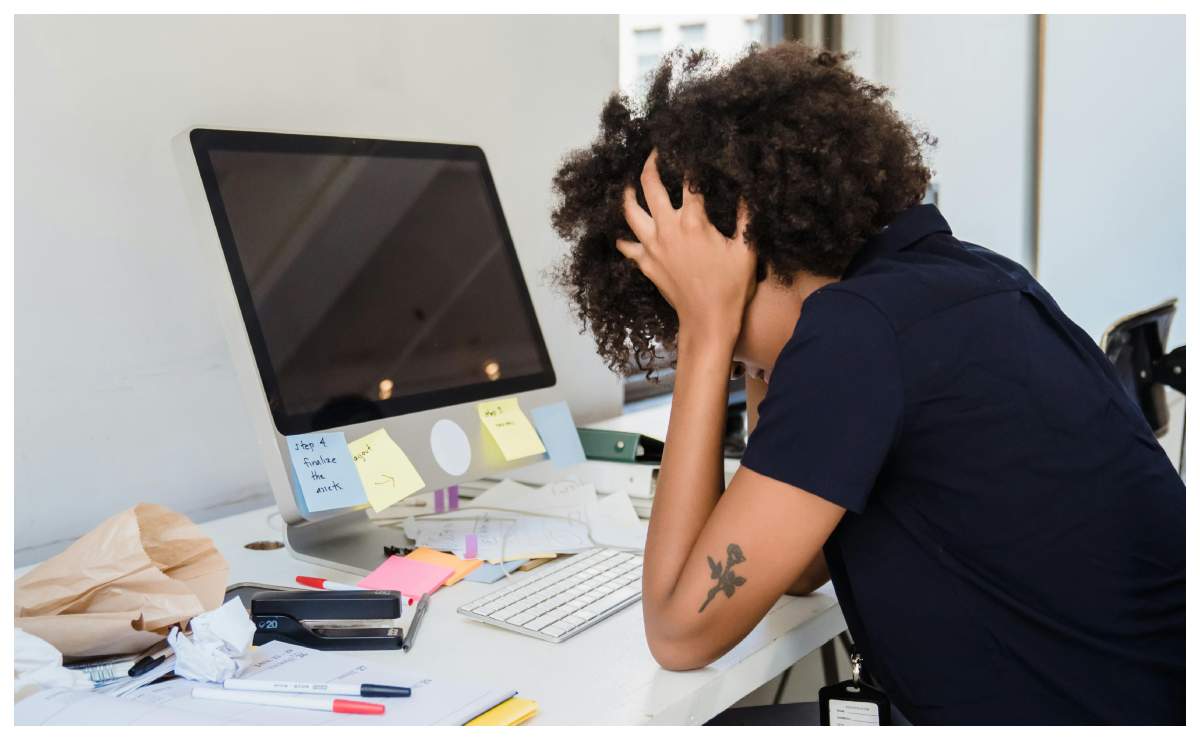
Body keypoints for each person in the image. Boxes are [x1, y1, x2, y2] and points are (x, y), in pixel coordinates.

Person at [549, 43, 1185, 725]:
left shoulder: (856, 338)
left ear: (746, 251)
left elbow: (678, 630)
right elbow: (796, 568)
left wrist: (707, 328)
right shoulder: (963, 277)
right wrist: (752, 352)